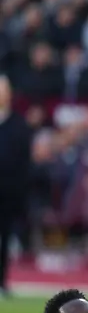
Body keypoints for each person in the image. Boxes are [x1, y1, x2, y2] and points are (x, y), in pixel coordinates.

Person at [0, 75, 35, 297]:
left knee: (4, 236)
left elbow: (24, 163)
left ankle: (2, 279)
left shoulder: (19, 125)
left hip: (8, 191)